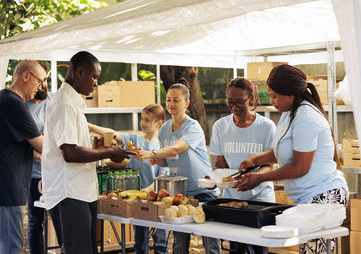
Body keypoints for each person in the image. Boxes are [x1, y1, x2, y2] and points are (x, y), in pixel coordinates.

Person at [236, 64, 349, 254]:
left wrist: (260, 178)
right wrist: (255, 160)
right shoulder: (290, 113)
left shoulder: (306, 117)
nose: (272, 101)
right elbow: (284, 150)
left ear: (290, 93)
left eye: (274, 96)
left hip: (324, 195)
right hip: (309, 197)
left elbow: (299, 167)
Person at [42, 51, 131, 254]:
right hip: (69, 192)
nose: (95, 84)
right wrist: (108, 152)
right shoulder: (64, 102)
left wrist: (98, 149)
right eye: (94, 77)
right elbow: (70, 153)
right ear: (79, 72)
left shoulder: (73, 101)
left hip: (81, 191)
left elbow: (74, 146)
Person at [138, 79, 220, 254]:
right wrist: (156, 160)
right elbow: (168, 159)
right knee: (179, 244)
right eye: (168, 99)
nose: (171, 103)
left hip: (203, 191)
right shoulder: (166, 128)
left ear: (186, 103)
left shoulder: (193, 127)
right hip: (180, 193)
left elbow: (177, 149)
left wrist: (154, 154)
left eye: (176, 100)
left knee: (210, 243)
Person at [209, 77, 276, 254]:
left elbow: (270, 164)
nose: (234, 106)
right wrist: (218, 177)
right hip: (233, 199)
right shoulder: (220, 126)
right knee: (236, 249)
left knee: (258, 249)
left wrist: (255, 177)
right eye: (230, 102)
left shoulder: (267, 127)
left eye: (240, 101)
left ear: (251, 99)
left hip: (261, 199)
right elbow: (219, 163)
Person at [92, 104, 170, 254]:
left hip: (157, 200)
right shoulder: (134, 140)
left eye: (147, 120)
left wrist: (148, 189)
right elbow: (112, 134)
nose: (143, 123)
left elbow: (163, 176)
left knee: (161, 242)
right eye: (142, 119)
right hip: (136, 200)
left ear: (159, 123)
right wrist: (89, 125)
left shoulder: (161, 147)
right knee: (140, 241)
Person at [0, 60, 46, 253]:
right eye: (40, 81)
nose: (41, 87)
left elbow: (21, 146)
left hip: (7, 186)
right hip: (9, 189)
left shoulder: (4, 98)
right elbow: (41, 146)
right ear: (26, 76)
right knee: (12, 247)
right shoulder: (14, 103)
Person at [25, 62, 55, 254]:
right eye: (40, 82)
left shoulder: (53, 100)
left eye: (45, 81)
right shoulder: (23, 106)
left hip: (54, 172)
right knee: (36, 221)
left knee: (59, 218)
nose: (43, 86)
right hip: (34, 174)